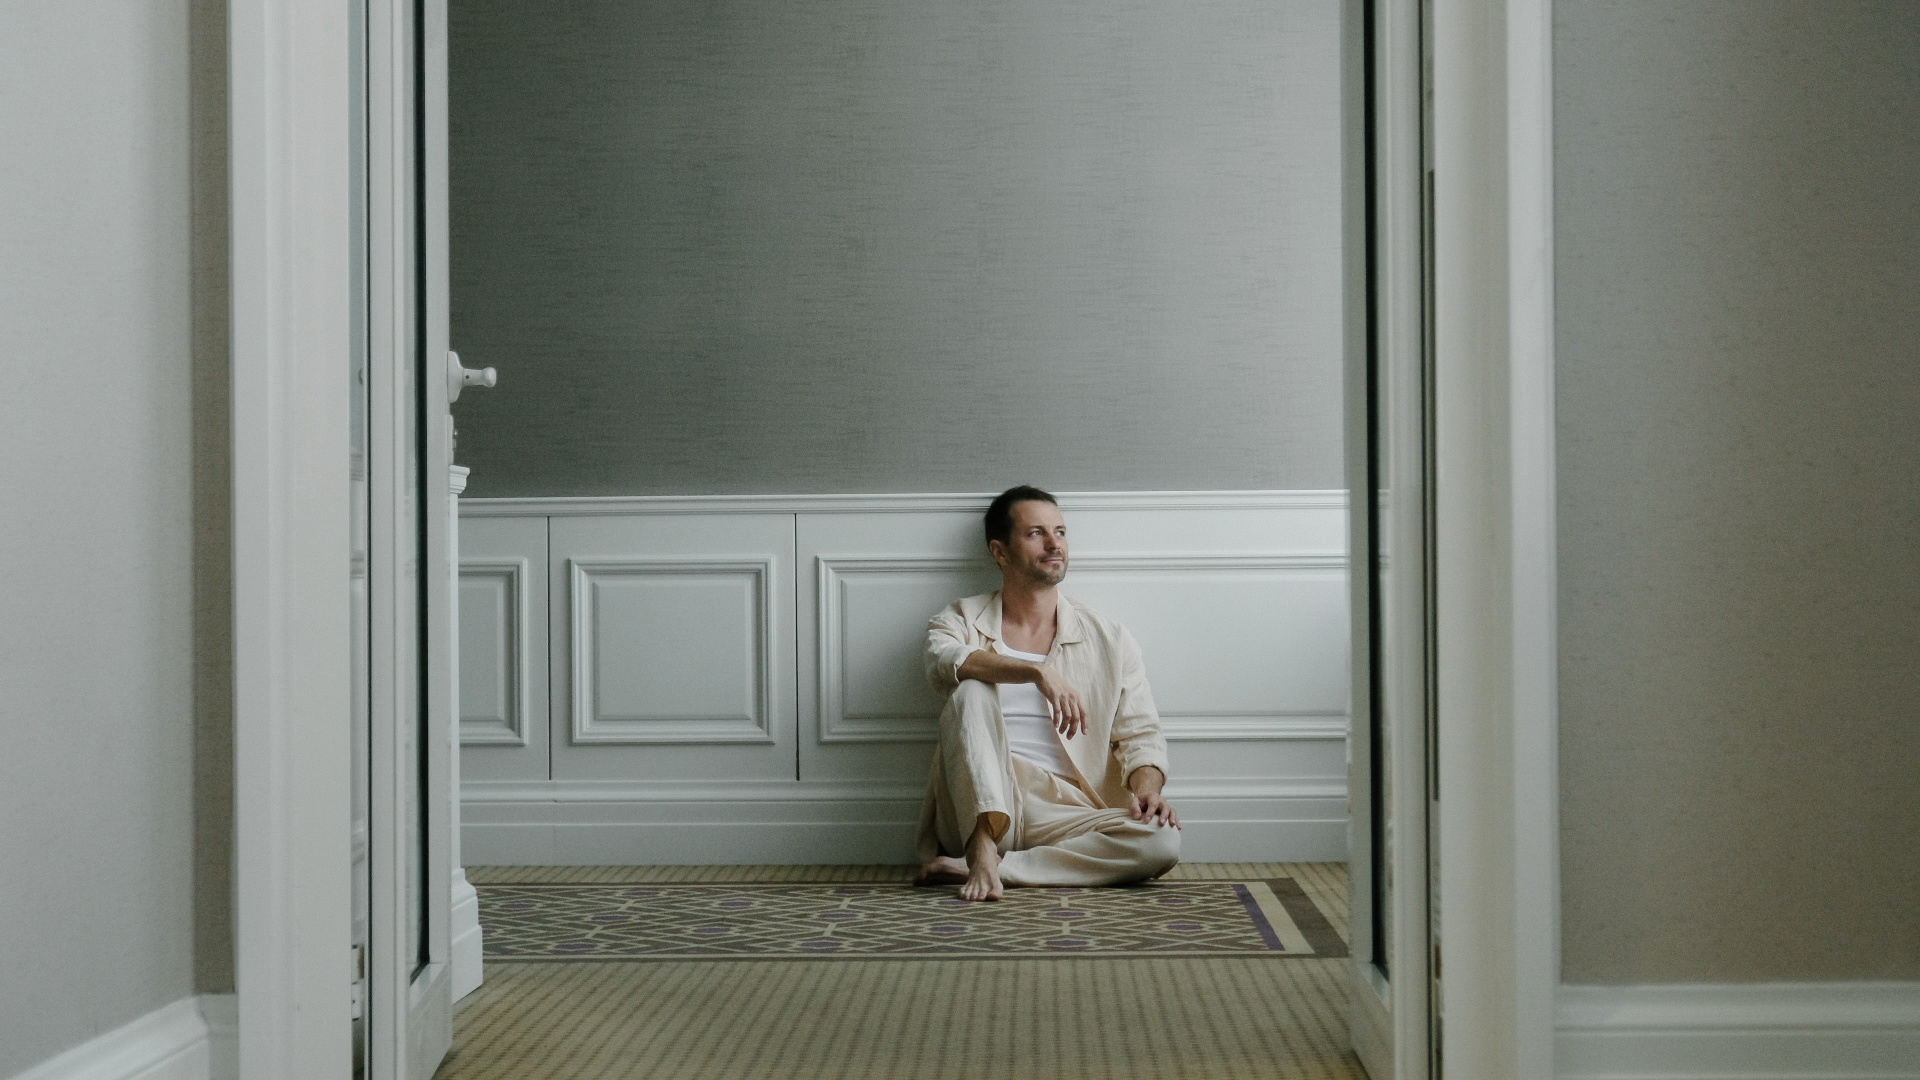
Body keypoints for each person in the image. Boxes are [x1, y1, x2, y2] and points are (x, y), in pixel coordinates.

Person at [914, 485, 1181, 901]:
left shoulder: (1110, 638)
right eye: (1036, 533)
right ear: (1000, 552)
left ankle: (995, 867)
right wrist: (1036, 672)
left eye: (1060, 531)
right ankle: (981, 849)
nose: (1055, 544)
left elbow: (1140, 735)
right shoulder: (961, 618)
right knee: (972, 691)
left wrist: (1148, 791)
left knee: (1162, 841)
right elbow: (943, 662)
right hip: (980, 801)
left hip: (1064, 808)